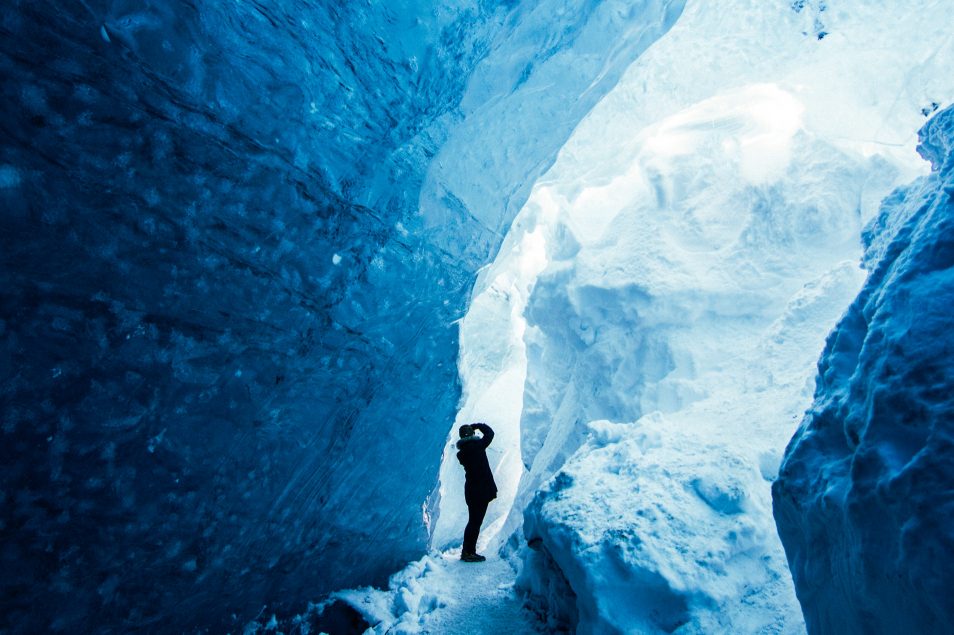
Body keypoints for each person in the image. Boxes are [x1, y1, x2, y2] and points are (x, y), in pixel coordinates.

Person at [456, 422, 498, 562]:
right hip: (481, 491)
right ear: (472, 434)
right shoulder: (478, 446)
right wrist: (478, 425)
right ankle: (469, 552)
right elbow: (490, 433)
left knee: (473, 522)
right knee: (475, 523)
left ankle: (467, 551)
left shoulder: (461, 454)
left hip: (471, 491)